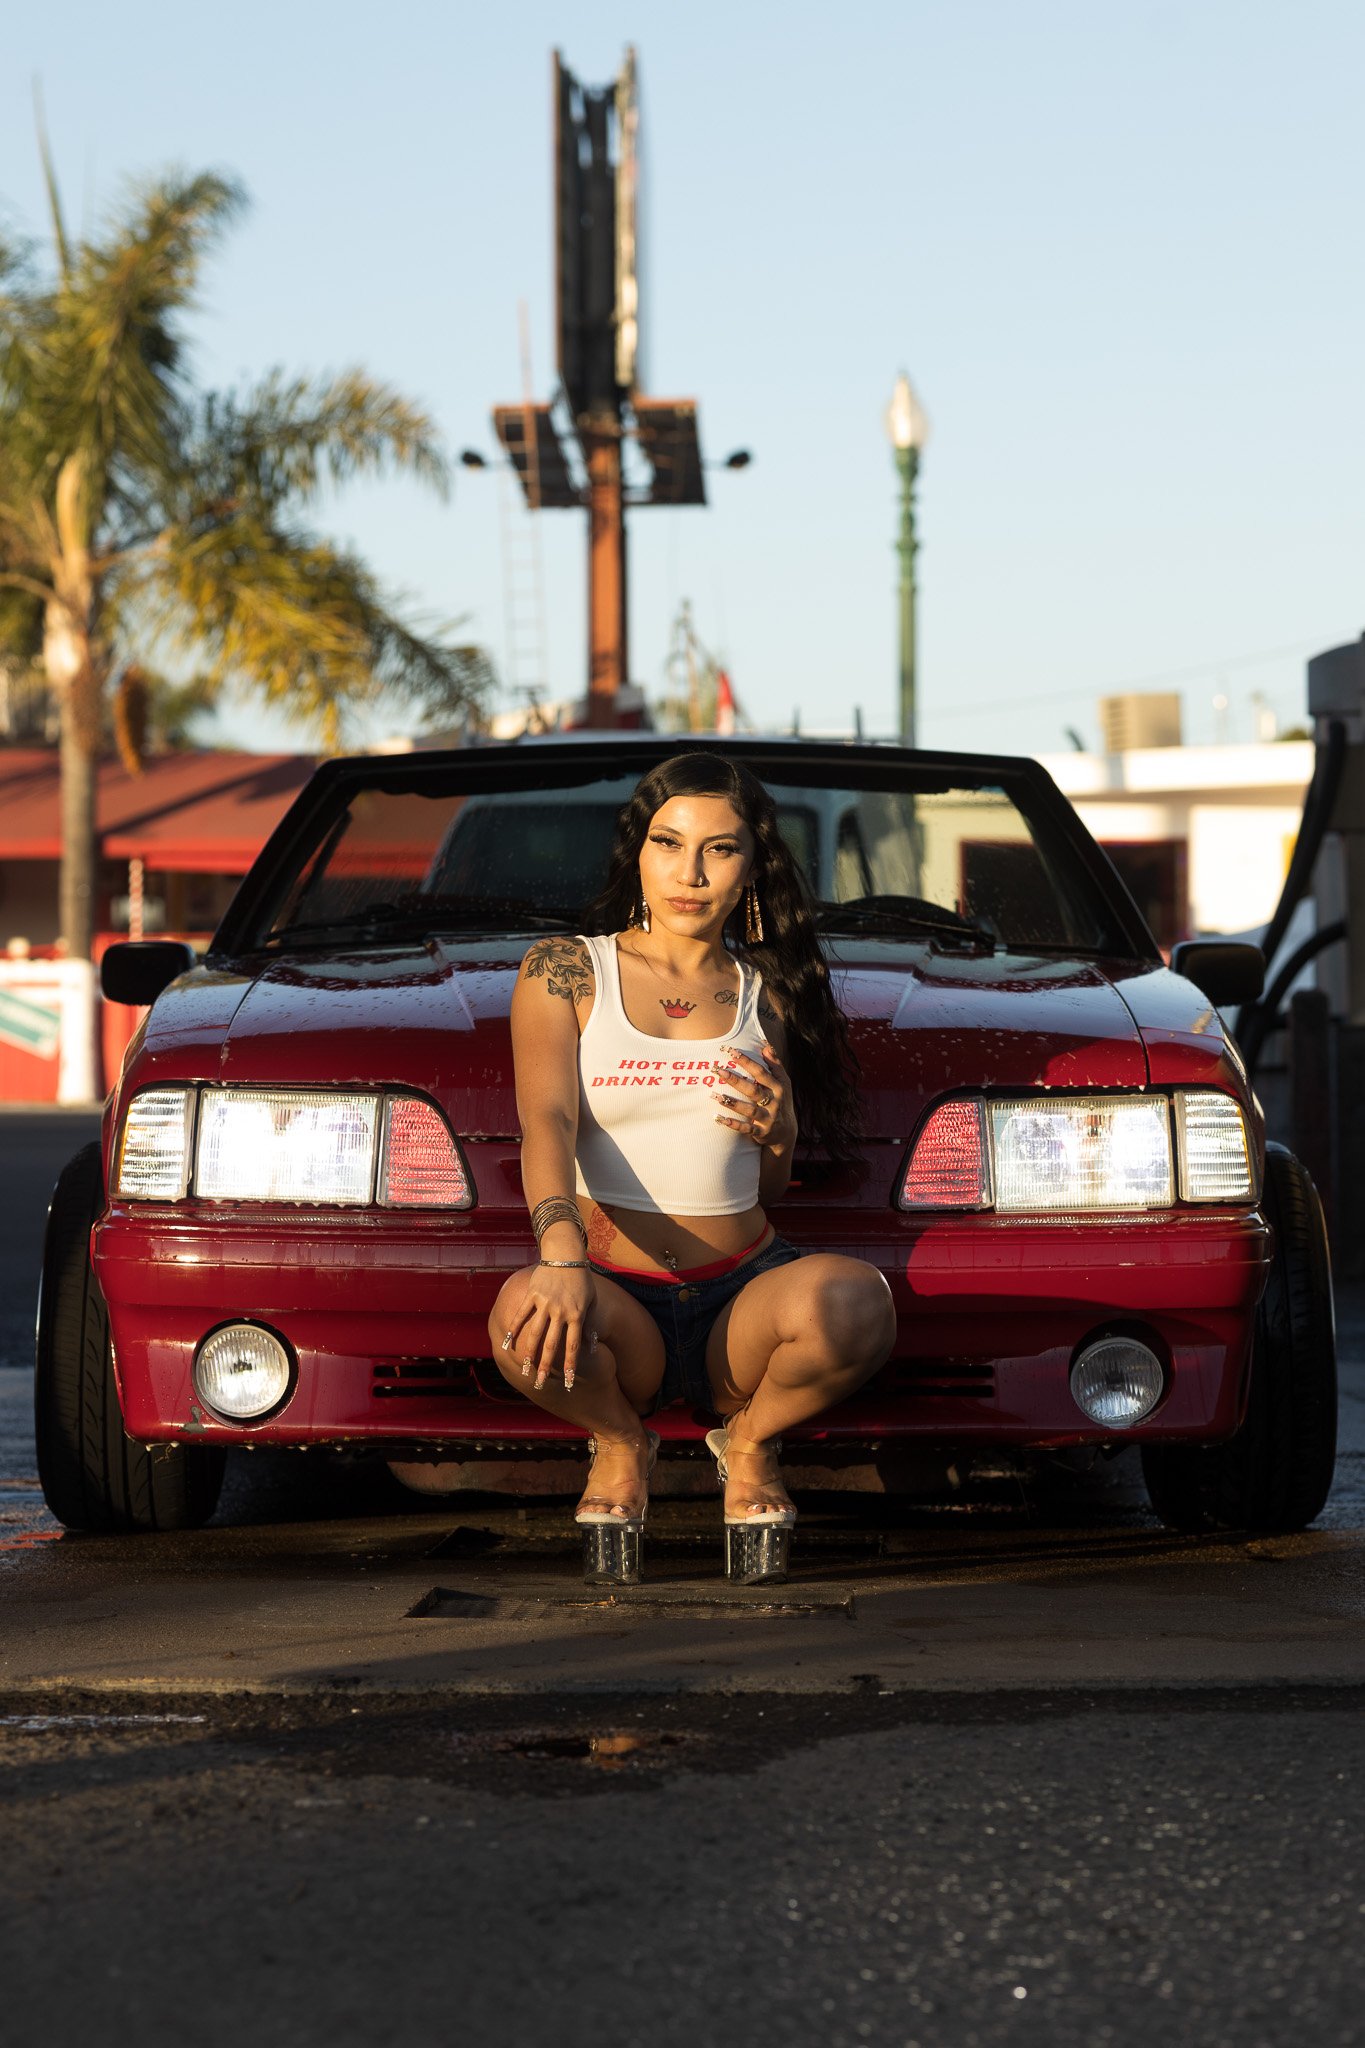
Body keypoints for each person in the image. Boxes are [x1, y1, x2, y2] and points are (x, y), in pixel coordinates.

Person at [488, 752, 897, 1583]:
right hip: (614, 1294)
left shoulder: (766, 989)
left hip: (740, 1291)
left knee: (858, 1303)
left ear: (752, 865)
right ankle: (619, 1441)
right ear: (637, 851)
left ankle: (747, 1444)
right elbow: (546, 1121)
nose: (691, 873)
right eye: (669, 843)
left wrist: (781, 1132)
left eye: (720, 848)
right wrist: (560, 1259)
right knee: (519, 1319)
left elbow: (764, 1185)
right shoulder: (567, 968)